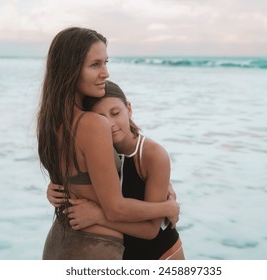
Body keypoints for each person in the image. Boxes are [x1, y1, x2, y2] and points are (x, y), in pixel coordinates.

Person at [37, 27, 179, 260]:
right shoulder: (92, 124)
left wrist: (162, 182)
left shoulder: (50, 123)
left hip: (59, 242)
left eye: (105, 63)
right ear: (70, 69)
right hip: (95, 249)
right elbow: (115, 207)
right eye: (95, 65)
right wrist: (167, 208)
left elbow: (74, 180)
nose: (105, 73)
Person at [47, 80, 185, 260]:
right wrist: (55, 188)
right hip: (120, 254)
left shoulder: (152, 155)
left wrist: (98, 217)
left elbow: (151, 230)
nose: (110, 123)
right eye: (101, 118)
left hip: (161, 255)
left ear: (128, 109)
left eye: (115, 113)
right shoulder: (93, 152)